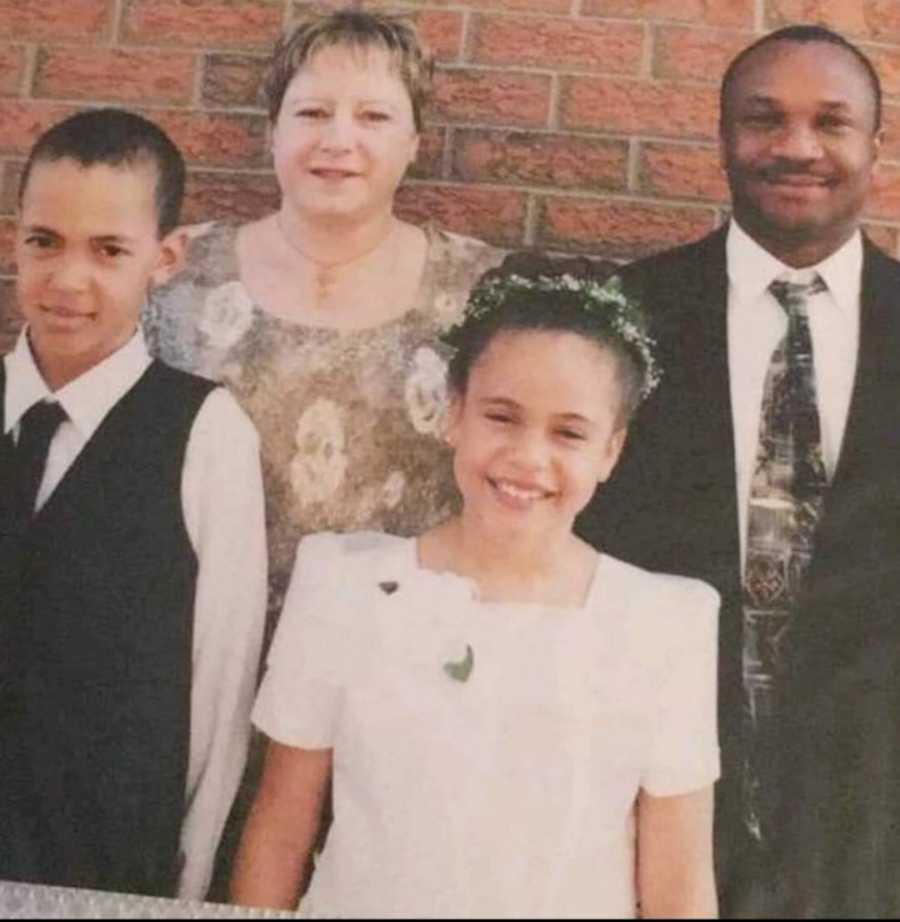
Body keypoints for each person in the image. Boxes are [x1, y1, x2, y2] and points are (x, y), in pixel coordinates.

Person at [229, 257, 721, 918]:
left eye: (568, 432)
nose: (528, 457)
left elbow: (678, 880)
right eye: (502, 417)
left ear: (610, 450)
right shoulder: (346, 585)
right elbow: (281, 826)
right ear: (455, 412)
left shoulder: (664, 622)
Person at [577, 24, 900, 917]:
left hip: (869, 825)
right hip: (654, 805)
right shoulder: (622, 317)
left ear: (876, 144)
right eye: (765, 119)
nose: (797, 147)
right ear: (721, 138)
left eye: (831, 122)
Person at [143, 8, 504, 629]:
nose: (338, 139)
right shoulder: (176, 272)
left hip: (398, 654)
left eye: (374, 116)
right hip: (189, 641)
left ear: (414, 141)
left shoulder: (480, 291)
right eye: (311, 112)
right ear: (272, 131)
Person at [0, 108, 267, 900]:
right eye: (43, 241)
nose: (68, 279)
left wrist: (179, 893)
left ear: (166, 256)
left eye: (108, 250)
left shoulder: (203, 433)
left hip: (104, 869)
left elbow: (220, 687)